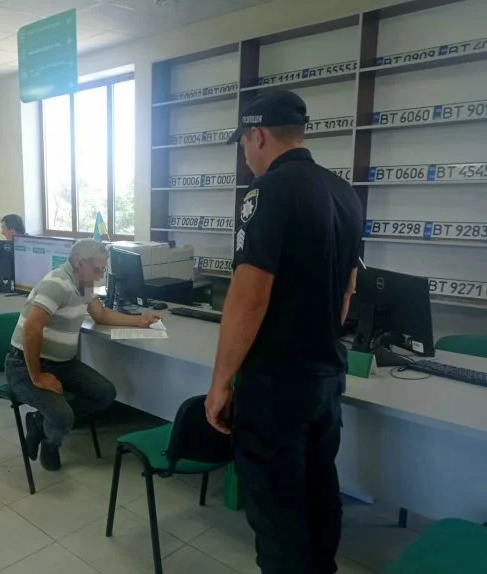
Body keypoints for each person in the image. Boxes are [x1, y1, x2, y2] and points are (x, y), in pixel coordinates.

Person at [204, 91, 363, 574]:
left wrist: (221, 382)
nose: (244, 155)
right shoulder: (345, 193)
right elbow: (348, 292)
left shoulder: (268, 192)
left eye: (243, 144)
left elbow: (249, 297)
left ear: (257, 135)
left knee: (277, 515)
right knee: (319, 494)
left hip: (276, 386)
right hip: (325, 379)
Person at [5, 239, 161, 470]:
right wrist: (37, 377)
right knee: (63, 416)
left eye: (103, 270)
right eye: (97, 269)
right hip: (25, 366)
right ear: (80, 263)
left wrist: (139, 320)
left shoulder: (83, 283)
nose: (100, 276)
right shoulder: (57, 283)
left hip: (63, 365)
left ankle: (41, 422)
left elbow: (101, 315)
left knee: (105, 394)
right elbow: (31, 329)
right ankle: (51, 442)